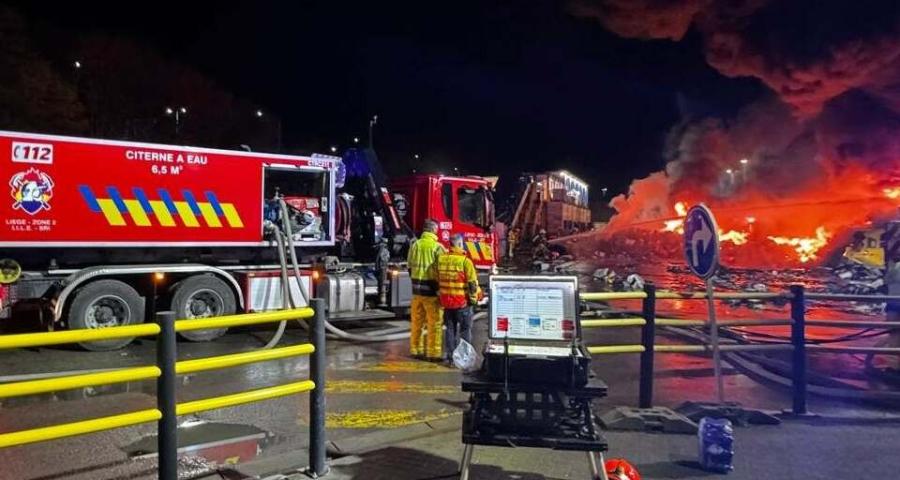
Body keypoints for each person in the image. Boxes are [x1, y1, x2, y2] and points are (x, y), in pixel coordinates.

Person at [435, 233, 481, 362]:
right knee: (465, 331)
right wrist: (473, 300)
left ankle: (450, 357)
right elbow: (472, 284)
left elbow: (437, 278)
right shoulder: (465, 262)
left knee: (450, 329)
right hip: (462, 303)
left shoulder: (441, 259)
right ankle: (464, 357)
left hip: (447, 303)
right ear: (460, 244)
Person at [407, 219, 446, 360]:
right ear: (434, 230)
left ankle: (415, 350)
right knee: (434, 323)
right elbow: (442, 271)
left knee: (417, 322)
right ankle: (433, 353)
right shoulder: (437, 247)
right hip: (431, 291)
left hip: (417, 291)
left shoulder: (415, 245)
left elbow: (410, 267)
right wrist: (439, 290)